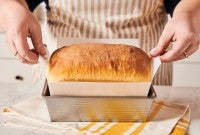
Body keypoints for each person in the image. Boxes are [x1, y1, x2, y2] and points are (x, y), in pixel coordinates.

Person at [0, 0, 199, 85]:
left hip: (145, 76)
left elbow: (188, 3)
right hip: (59, 79)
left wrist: (188, 14)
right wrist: (11, 12)